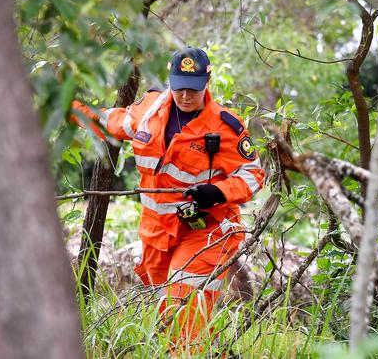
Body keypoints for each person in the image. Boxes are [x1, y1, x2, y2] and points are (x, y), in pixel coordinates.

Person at [72, 47, 265, 350]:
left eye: (193, 89)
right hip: (157, 234)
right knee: (180, 320)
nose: (185, 96)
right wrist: (66, 107)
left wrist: (218, 192)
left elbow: (253, 175)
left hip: (207, 231)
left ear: (207, 82)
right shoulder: (150, 109)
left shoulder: (226, 126)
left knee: (181, 313)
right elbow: (112, 121)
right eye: (179, 88)